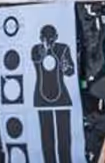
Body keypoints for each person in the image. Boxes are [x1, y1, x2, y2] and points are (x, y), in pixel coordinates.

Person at [31, 24, 76, 163]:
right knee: (47, 141)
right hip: (42, 99)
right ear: (40, 38)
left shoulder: (63, 49)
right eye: (46, 39)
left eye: (51, 39)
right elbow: (37, 60)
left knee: (64, 140)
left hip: (62, 98)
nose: (49, 42)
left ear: (56, 38)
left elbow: (71, 71)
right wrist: (45, 50)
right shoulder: (36, 49)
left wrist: (66, 66)